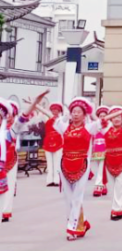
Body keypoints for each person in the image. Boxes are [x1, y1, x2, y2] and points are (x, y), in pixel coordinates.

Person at [23, 94, 102, 240]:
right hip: (65, 164)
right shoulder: (64, 127)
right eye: (73, 112)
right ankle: (81, 222)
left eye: (79, 112)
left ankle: (72, 228)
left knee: (77, 197)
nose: (76, 114)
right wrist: (35, 104)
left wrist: (92, 111)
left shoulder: (89, 127)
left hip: (82, 165)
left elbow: (102, 122)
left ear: (84, 115)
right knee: (68, 197)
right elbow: (53, 117)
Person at [2, 99, 26, 222]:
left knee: (9, 185)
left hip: (11, 158)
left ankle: (6, 211)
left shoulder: (14, 127)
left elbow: (22, 120)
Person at [40, 96, 62, 187]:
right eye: (53, 109)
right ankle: (49, 180)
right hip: (48, 142)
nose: (54, 111)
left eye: (56, 109)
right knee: (49, 162)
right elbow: (43, 111)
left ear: (59, 111)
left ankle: (57, 180)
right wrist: (34, 104)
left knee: (57, 161)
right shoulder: (48, 119)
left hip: (59, 142)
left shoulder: (61, 120)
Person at [90, 105, 110, 197]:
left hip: (105, 148)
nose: (102, 117)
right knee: (100, 168)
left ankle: (98, 186)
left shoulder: (109, 125)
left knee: (101, 168)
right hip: (96, 149)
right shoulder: (96, 125)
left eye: (104, 115)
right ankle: (104, 185)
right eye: (100, 116)